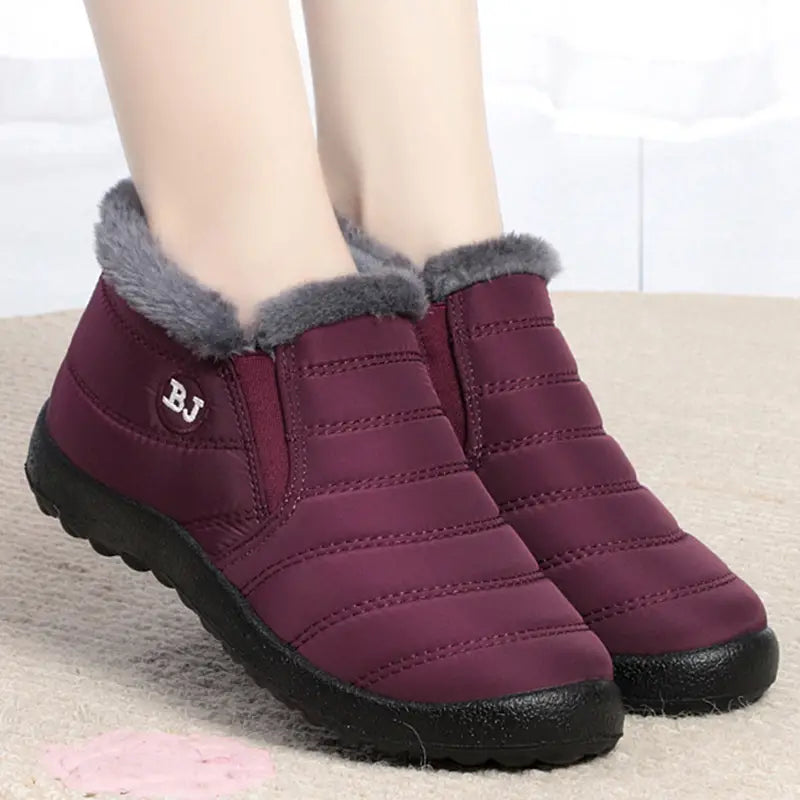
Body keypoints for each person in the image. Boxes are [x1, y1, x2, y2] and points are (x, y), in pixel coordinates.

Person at [26, 0, 776, 767]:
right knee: (240, 217)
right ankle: (234, 252)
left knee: (416, 181)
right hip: (225, 346)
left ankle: (415, 229)